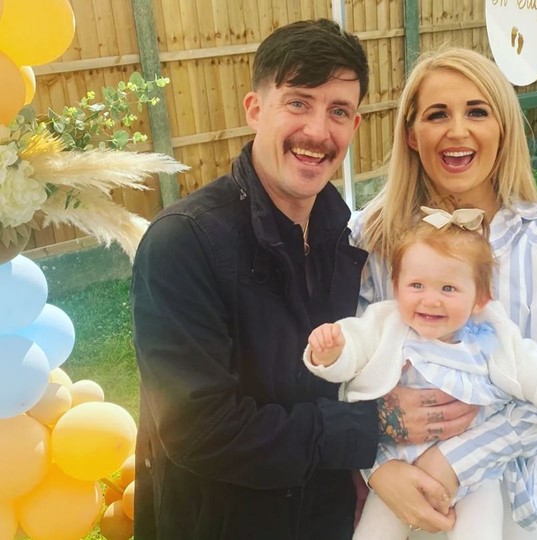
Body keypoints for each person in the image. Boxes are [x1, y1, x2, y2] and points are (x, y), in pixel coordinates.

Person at [130, 20, 476, 540]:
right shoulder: (185, 243)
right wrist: (373, 424)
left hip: (329, 519)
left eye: (338, 111)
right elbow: (198, 430)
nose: (318, 131)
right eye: (298, 102)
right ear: (255, 109)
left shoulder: (352, 238)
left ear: (355, 127)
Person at [353, 47, 537, 538]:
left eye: (477, 111)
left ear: (504, 128)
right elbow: (351, 357)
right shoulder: (375, 235)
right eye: (437, 114)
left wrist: (455, 460)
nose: (457, 131)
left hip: (524, 502)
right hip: (402, 493)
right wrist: (382, 463)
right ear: (411, 135)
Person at [306, 207, 537, 539]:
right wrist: (332, 353)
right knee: (372, 534)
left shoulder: (490, 334)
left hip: (472, 477)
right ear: (397, 285)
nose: (430, 300)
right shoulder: (385, 322)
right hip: (396, 465)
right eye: (416, 285)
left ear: (480, 299)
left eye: (448, 289)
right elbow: (355, 348)